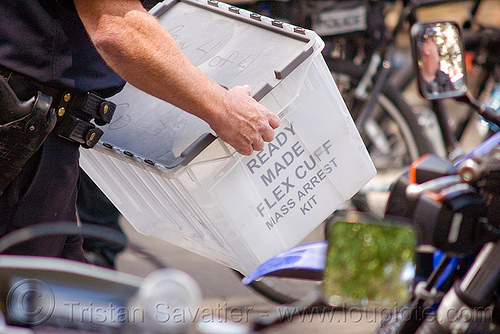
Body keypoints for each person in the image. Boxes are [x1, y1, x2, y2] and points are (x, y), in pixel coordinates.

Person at [0, 0, 280, 261]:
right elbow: (117, 27)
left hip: (41, 130)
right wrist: (222, 107)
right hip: (25, 131)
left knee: (65, 297)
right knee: (28, 296)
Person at [419, 29, 456, 95]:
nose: (437, 43)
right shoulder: (415, 82)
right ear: (426, 48)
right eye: (433, 40)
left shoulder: (445, 81)